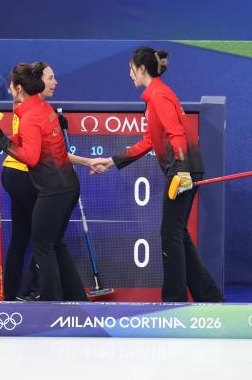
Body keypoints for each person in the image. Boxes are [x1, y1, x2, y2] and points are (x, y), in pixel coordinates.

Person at [94, 47, 224, 303]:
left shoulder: (158, 96)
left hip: (182, 168)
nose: (129, 74)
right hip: (183, 166)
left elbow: (176, 132)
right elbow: (148, 141)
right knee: (177, 233)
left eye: (131, 68)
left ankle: (173, 300)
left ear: (141, 69)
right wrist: (112, 160)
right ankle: (209, 298)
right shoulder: (155, 95)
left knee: (170, 234)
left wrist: (182, 169)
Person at [1, 63, 102, 301]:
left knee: (42, 245)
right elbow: (30, 139)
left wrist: (5, 145)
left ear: (17, 88)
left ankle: (52, 305)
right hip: (67, 186)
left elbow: (31, 157)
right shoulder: (43, 108)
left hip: (53, 190)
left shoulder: (29, 116)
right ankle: (77, 300)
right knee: (54, 244)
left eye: (10, 87)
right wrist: (6, 139)